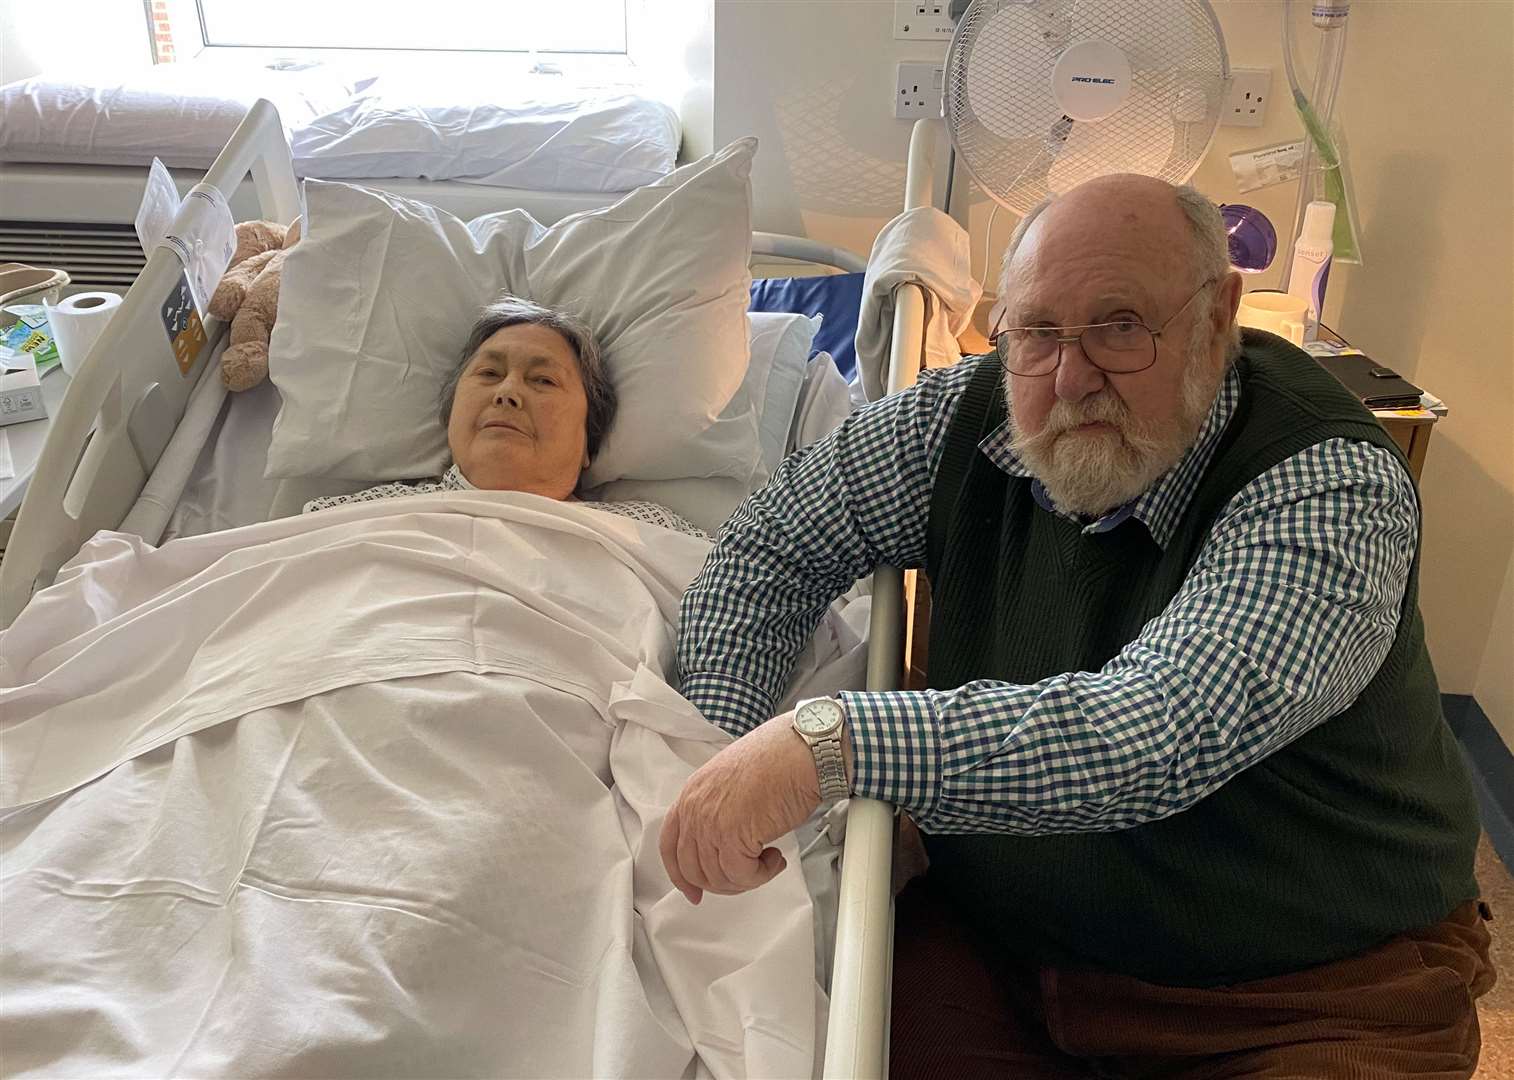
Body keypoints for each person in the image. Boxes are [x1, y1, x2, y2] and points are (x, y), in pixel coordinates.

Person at [661, 175, 1495, 1077]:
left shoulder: (1327, 484)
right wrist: (716, 747)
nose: (1070, 378)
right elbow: (774, 543)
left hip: (1306, 991)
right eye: (1038, 331)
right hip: (1006, 954)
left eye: (1121, 327)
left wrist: (831, 746)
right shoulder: (974, 414)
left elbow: (1156, 730)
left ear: (1219, 315)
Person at [305, 296, 705, 537]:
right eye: (489, 373)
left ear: (589, 437)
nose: (508, 392)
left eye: (544, 380)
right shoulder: (341, 519)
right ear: (451, 415)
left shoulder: (650, 531)